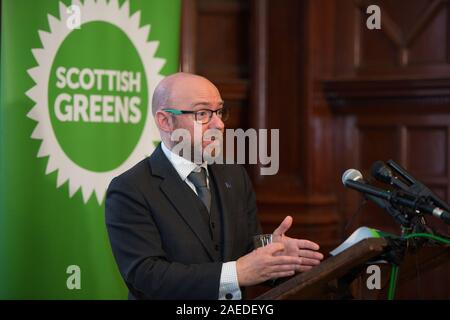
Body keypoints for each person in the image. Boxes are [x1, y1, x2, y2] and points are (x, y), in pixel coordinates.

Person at [105, 72, 324, 300]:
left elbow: (246, 249)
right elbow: (147, 277)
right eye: (202, 113)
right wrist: (235, 274)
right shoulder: (130, 189)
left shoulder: (235, 175)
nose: (219, 124)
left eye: (219, 111)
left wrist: (273, 252)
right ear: (165, 121)